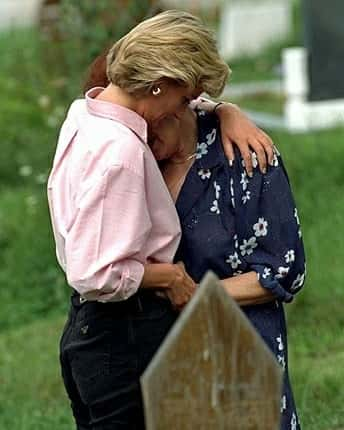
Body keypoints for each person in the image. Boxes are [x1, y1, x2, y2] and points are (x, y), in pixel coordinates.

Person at [48, 10, 275, 429]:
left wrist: (225, 110)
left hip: (88, 332)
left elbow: (166, 98)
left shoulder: (86, 112)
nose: (186, 108)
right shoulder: (122, 154)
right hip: (124, 333)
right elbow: (95, 273)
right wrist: (170, 277)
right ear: (158, 84)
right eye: (185, 97)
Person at [149, 108, 306, 430]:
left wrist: (192, 293)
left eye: (147, 121)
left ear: (173, 102)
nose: (140, 132)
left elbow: (285, 270)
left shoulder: (243, 153)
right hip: (155, 353)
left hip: (240, 348)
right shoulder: (134, 157)